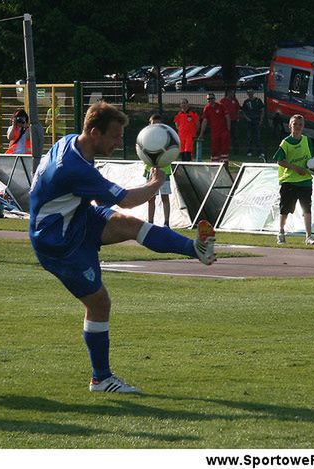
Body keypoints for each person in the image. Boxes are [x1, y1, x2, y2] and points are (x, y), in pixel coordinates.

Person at [29, 101, 216, 394]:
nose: (119, 142)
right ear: (93, 132)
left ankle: (196, 250)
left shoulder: (70, 143)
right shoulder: (75, 167)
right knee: (99, 303)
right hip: (59, 242)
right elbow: (125, 198)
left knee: (128, 224)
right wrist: (156, 183)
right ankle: (101, 379)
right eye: (115, 136)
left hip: (75, 217)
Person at [273, 114, 314, 245]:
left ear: (303, 126)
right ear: (290, 126)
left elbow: (310, 158)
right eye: (295, 124)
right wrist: (294, 168)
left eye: (300, 124)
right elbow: (280, 161)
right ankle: (281, 232)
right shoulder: (286, 142)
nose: (297, 127)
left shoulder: (306, 140)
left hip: (305, 181)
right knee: (285, 208)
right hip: (289, 181)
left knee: (307, 208)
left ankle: (308, 236)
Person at [143, 114, 172, 226]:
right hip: (150, 170)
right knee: (150, 198)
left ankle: (167, 223)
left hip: (164, 170)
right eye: (153, 123)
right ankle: (150, 223)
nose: (155, 126)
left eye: (158, 123)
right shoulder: (145, 136)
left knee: (165, 196)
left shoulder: (166, 136)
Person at [199, 92, 231, 165]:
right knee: (215, 149)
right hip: (214, 132)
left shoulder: (221, 106)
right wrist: (201, 133)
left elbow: (227, 117)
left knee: (224, 149)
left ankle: (225, 165)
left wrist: (228, 129)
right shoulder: (207, 108)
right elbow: (205, 121)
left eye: (211, 98)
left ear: (214, 99)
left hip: (223, 131)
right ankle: (214, 165)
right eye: (208, 99)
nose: (210, 100)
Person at [242, 88, 265, 160]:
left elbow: (262, 110)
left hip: (256, 120)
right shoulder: (246, 102)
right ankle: (249, 151)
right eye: (248, 93)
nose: (250, 94)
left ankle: (260, 152)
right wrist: (247, 118)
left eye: (251, 92)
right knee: (249, 137)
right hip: (249, 121)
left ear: (253, 93)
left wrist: (261, 119)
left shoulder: (258, 100)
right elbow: (243, 111)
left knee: (258, 137)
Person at [220, 89, 241, 154]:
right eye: (231, 93)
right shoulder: (223, 101)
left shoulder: (234, 100)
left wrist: (237, 117)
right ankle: (225, 149)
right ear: (228, 93)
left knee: (234, 135)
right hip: (225, 121)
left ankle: (236, 150)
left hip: (233, 120)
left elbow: (238, 109)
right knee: (225, 135)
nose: (232, 94)